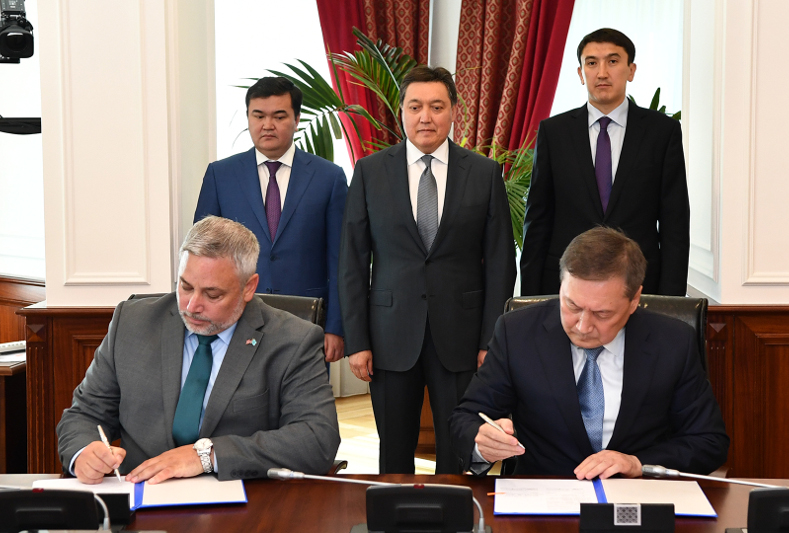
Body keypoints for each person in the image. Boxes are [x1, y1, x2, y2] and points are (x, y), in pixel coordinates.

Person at [57, 216, 340, 484]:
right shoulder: (132, 323)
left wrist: (207, 456)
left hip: (241, 501)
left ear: (248, 287)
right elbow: (84, 414)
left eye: (212, 294)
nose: (192, 306)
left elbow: (317, 439)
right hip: (142, 496)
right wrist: (84, 452)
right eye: (185, 286)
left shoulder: (293, 340)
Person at [339, 66, 516, 475]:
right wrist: (357, 340)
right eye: (415, 106)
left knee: (458, 449)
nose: (426, 117)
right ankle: (393, 510)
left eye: (437, 106)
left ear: (454, 111)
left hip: (461, 336)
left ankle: (455, 509)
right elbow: (351, 261)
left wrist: (490, 340)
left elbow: (500, 262)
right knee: (393, 452)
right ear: (400, 111)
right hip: (389, 336)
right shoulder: (369, 171)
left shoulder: (484, 173)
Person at [451, 227, 728, 478]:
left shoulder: (673, 342)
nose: (583, 326)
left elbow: (709, 442)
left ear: (634, 300)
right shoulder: (517, 333)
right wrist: (481, 442)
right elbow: (466, 418)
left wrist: (637, 463)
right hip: (544, 495)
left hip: (636, 496)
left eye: (602, 313)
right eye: (572, 306)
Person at [520, 28, 689, 297]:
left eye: (612, 61)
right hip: (566, 282)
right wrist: (530, 299)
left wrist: (671, 301)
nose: (601, 73)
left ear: (631, 70)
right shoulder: (554, 132)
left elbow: (675, 223)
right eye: (591, 63)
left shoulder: (662, 132)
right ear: (580, 73)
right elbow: (538, 220)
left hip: (639, 283)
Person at [195, 76, 348, 363]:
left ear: (296, 119)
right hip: (235, 319)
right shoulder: (221, 175)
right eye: (259, 116)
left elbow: (341, 260)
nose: (268, 125)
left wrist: (336, 327)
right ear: (248, 118)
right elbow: (203, 255)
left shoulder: (329, 177)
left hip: (307, 322)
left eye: (279, 116)